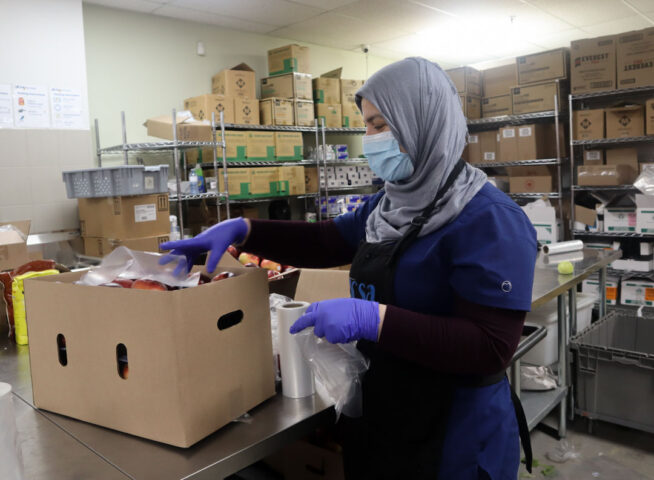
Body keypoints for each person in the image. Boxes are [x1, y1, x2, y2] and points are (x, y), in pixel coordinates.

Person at [160, 57, 538, 480]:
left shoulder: (491, 221)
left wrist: (372, 318)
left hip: (454, 433)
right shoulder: (388, 204)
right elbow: (325, 240)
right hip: (384, 413)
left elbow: (490, 348)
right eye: (366, 126)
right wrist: (244, 231)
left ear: (423, 122)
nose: (369, 139)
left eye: (380, 126)